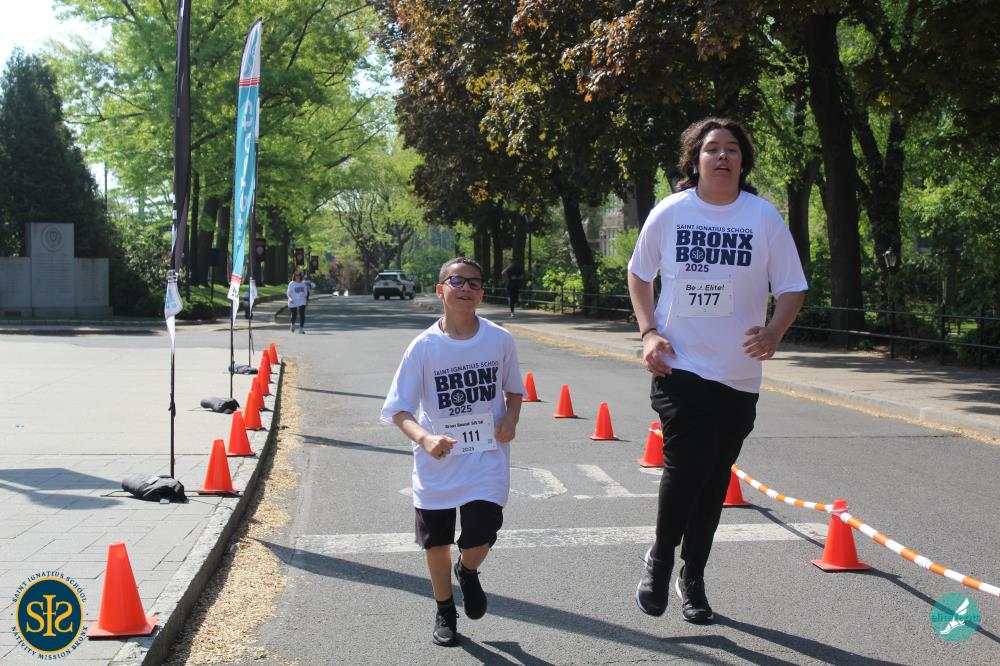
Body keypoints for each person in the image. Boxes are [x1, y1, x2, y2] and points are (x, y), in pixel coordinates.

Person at [627, 117, 807, 624]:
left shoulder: (762, 217)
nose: (722, 156)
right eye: (712, 149)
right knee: (684, 468)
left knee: (712, 481)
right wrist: (648, 332)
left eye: (732, 149)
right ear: (695, 159)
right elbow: (639, 274)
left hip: (738, 372)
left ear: (743, 161)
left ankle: (693, 578)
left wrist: (774, 332)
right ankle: (661, 561)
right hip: (679, 364)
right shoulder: (671, 212)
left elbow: (792, 286)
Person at [381, 257, 524, 646]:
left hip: (486, 456)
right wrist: (425, 439)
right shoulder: (423, 347)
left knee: (483, 530)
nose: (466, 288)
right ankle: (445, 609)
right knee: (437, 541)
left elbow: (514, 390)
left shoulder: (499, 340)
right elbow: (398, 410)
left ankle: (468, 569)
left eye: (474, 283)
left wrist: (511, 419)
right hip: (437, 461)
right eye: (457, 281)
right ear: (440, 290)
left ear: (482, 293)